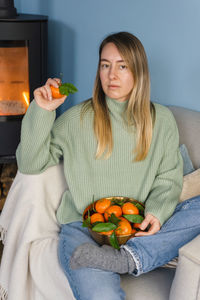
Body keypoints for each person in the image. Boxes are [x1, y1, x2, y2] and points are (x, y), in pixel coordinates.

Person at [16, 32, 200, 300]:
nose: (111, 74)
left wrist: (158, 214)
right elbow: (30, 163)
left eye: (122, 66)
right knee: (101, 294)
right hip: (85, 229)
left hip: (138, 228)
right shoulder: (76, 119)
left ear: (138, 71)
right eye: (105, 65)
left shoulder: (161, 120)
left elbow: (168, 179)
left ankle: (129, 258)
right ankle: (132, 258)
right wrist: (42, 110)